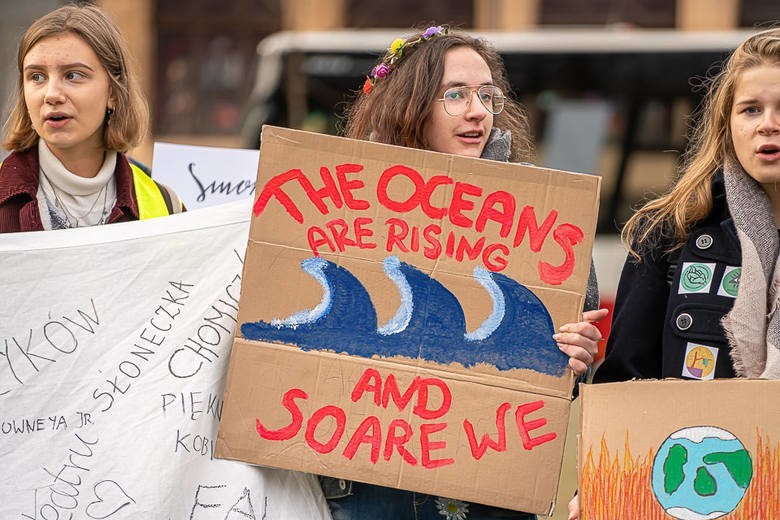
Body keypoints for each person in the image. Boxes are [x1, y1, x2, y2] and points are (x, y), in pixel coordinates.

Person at [321, 25, 608, 520]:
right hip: (367, 485)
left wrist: (578, 355)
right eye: (454, 95)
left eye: (486, 95)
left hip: (488, 486)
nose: (477, 110)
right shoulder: (342, 209)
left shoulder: (543, 220)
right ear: (408, 106)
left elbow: (573, 366)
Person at [568, 27, 780, 520]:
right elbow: (626, 381)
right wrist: (600, 483)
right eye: (751, 110)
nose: (768, 125)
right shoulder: (671, 232)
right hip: (698, 491)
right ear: (727, 124)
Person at [0, 3, 181, 233]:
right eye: (36, 76)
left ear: (113, 92)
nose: (51, 94)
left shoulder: (166, 206)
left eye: (73, 75)